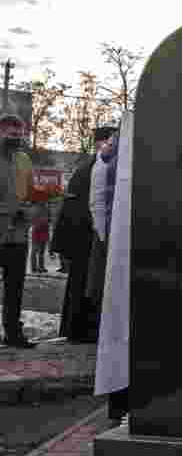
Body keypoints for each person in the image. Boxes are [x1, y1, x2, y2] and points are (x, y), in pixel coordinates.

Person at [52, 128, 115, 343]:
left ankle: (76, 330)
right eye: (108, 140)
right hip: (85, 237)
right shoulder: (93, 167)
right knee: (83, 286)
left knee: (81, 286)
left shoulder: (89, 166)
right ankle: (80, 331)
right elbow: (79, 207)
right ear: (99, 143)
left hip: (83, 236)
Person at [0, 115, 35, 348]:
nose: (16, 138)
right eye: (11, 134)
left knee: (15, 287)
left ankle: (13, 333)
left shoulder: (25, 160)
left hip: (19, 235)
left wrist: (29, 209)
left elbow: (30, 193)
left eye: (19, 134)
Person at [84, 125, 118, 342]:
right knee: (102, 283)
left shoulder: (102, 161)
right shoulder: (103, 161)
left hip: (104, 225)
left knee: (102, 283)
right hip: (105, 226)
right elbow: (97, 197)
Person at [30, 202, 49, 274]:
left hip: (44, 230)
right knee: (35, 250)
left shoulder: (46, 208)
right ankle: (34, 267)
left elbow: (48, 218)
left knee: (41, 251)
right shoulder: (34, 208)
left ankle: (41, 267)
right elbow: (32, 219)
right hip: (37, 230)